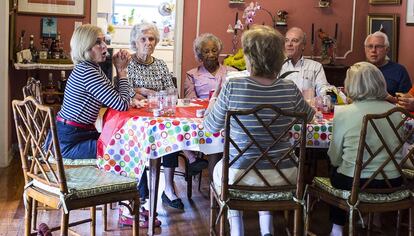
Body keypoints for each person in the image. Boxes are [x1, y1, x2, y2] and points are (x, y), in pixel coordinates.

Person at [203, 25, 315, 236]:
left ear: (250, 57)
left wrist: (213, 101)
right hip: (284, 174)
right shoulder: (289, 88)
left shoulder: (233, 86)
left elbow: (211, 127)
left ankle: (237, 229)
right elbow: (309, 116)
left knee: (223, 169)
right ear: (277, 57)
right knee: (265, 157)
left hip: (239, 175)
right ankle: (267, 230)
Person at [327, 62, 403, 236]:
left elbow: (335, 156)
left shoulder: (343, 112)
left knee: (336, 170)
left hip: (354, 182)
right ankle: (371, 218)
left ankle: (337, 228)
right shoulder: (397, 111)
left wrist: (337, 165)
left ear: (351, 84)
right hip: (393, 180)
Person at [48, 24, 135, 160]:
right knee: (126, 148)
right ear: (85, 47)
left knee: (122, 142)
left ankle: (125, 180)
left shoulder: (91, 68)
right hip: (69, 142)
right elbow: (122, 104)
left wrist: (119, 71)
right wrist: (122, 72)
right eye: (98, 42)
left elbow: (115, 97)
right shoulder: (87, 72)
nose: (105, 46)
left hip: (75, 133)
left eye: (104, 41)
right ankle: (127, 181)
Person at [127, 22, 184, 211]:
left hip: (159, 115)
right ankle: (140, 190)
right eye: (143, 39)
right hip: (136, 118)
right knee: (138, 139)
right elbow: (123, 89)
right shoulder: (127, 64)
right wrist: (141, 90)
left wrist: (151, 94)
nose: (148, 43)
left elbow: (172, 91)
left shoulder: (160, 64)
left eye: (151, 39)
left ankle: (168, 189)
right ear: (135, 42)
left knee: (171, 134)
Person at [183, 33, 237, 175]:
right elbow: (191, 100)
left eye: (214, 50)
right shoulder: (192, 74)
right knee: (213, 131)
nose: (211, 54)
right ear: (200, 55)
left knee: (220, 131)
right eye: (206, 51)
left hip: (226, 118)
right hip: (203, 118)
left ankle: (217, 183)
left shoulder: (232, 72)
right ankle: (214, 182)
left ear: (219, 51)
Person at [279, 27, 330, 97]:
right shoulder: (277, 66)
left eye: (294, 40)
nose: (289, 44)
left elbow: (323, 90)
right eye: (286, 40)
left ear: (303, 45)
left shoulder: (315, 67)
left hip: (306, 106)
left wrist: (329, 94)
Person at [364, 31, 411, 97]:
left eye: (378, 46)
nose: (373, 50)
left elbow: (406, 98)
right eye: (370, 46)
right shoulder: (359, 69)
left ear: (387, 50)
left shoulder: (399, 70)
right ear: (365, 49)